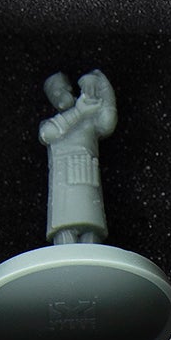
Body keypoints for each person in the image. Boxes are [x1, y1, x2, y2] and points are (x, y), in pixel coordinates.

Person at [40, 70, 116, 247]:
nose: (59, 96)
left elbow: (108, 122)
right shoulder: (53, 123)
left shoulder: (90, 120)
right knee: (64, 235)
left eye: (61, 90)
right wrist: (79, 112)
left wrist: (104, 87)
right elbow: (48, 133)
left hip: (88, 184)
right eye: (54, 94)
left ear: (69, 88)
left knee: (92, 234)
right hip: (64, 193)